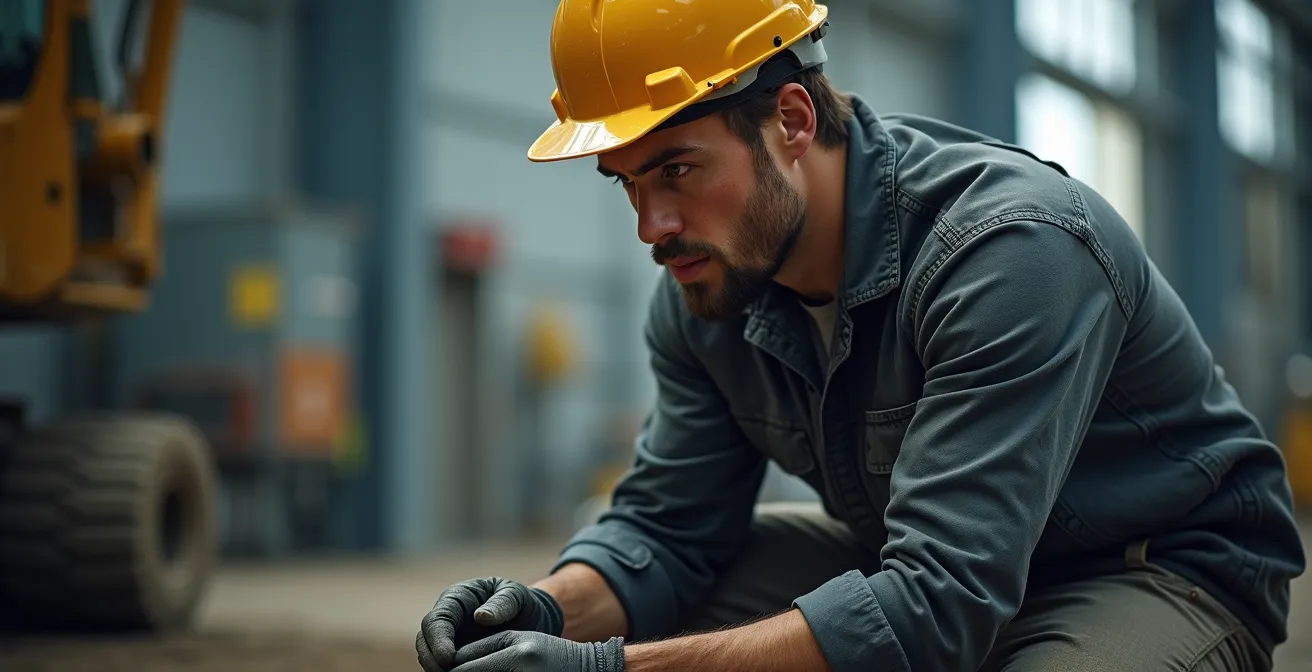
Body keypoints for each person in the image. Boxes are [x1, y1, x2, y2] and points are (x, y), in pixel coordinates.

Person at [415, 1, 1307, 670]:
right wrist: (540, 614)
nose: (653, 225)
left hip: (1149, 571)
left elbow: (938, 604)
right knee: (684, 594)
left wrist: (607, 668)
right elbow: (670, 528)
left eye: (678, 169)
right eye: (627, 184)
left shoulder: (1007, 253)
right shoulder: (710, 290)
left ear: (794, 121)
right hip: (926, 559)